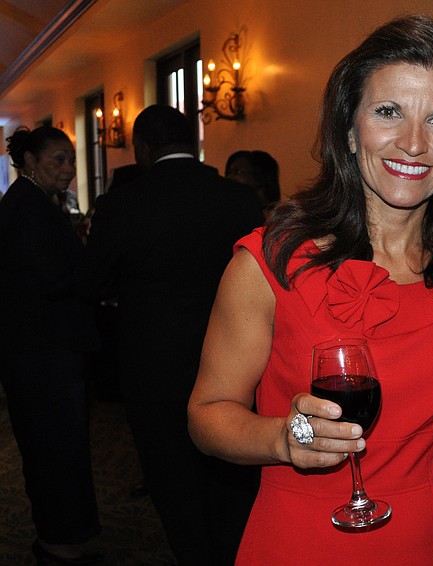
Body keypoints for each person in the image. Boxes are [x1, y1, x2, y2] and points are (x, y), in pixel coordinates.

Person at [187, 14, 433, 565]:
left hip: (432, 540)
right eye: (388, 112)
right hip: (298, 539)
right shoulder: (270, 262)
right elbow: (207, 414)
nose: (413, 143)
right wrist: (283, 439)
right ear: (350, 129)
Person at [76, 105, 264, 565]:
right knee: (231, 476)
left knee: (171, 478)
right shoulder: (238, 198)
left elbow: (93, 283)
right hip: (237, 360)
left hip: (153, 366)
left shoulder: (121, 204)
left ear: (142, 148)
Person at [0, 126, 102, 564]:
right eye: (57, 159)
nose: (68, 169)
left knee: (60, 446)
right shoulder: (26, 208)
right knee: (52, 447)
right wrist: (93, 270)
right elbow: (48, 280)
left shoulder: (36, 203)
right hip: (40, 353)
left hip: (43, 349)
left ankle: (65, 538)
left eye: (71, 160)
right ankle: (58, 543)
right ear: (29, 161)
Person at [225, 150, 281, 219]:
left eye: (237, 171)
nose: (229, 177)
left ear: (259, 176)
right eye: (228, 173)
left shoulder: (278, 219)